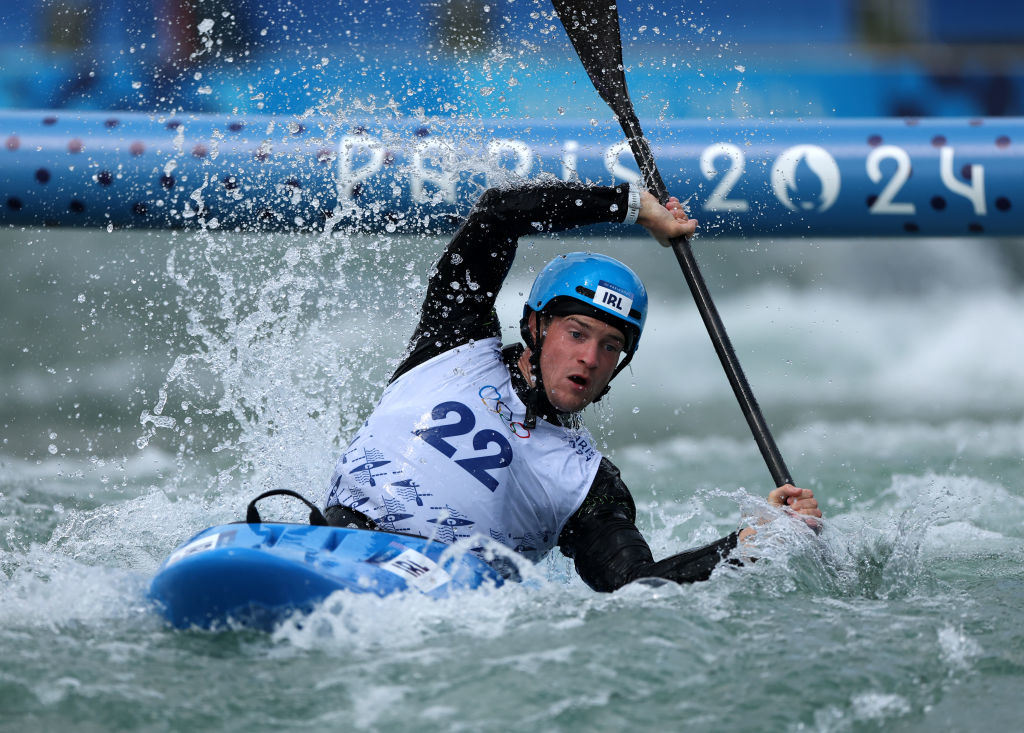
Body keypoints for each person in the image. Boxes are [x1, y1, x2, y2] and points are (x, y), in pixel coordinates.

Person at [324, 180, 821, 591]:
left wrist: (750, 543)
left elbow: (635, 586)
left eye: (610, 346)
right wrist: (631, 207)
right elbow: (498, 213)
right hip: (326, 542)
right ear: (535, 327)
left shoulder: (587, 485)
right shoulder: (451, 345)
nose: (590, 358)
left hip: (428, 597)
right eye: (577, 333)